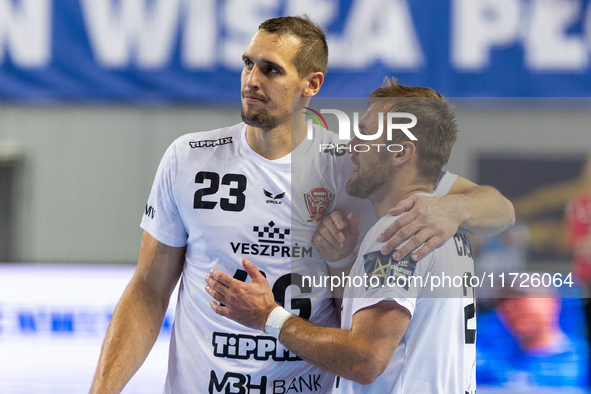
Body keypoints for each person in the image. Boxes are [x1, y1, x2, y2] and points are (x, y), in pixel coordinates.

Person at [90, 16, 514, 393]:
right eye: (248, 63)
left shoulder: (354, 168)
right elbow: (148, 289)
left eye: (271, 69)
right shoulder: (189, 157)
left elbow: (497, 207)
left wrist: (452, 208)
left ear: (312, 84)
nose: (251, 79)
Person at [204, 81, 478, 392]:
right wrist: (341, 260)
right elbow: (397, 334)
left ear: (401, 153)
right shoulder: (447, 229)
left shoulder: (399, 233)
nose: (351, 146)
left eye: (366, 134)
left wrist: (267, 315)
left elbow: (365, 359)